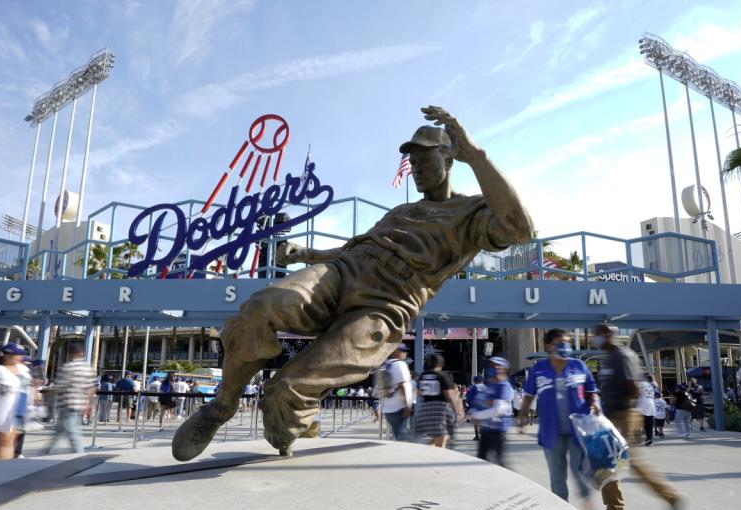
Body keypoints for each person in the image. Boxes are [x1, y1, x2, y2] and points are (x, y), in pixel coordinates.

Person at [172, 106, 533, 460]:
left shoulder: (470, 213)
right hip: (344, 272)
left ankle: (295, 423)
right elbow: (351, 248)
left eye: (425, 160)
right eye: (414, 162)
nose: (417, 170)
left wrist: (477, 155)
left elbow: (520, 228)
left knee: (287, 391)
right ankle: (221, 407)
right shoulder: (401, 212)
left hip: (384, 303)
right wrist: (305, 254)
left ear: (450, 159)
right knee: (259, 308)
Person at [591, 324, 683, 510]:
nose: (594, 339)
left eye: (597, 335)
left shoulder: (621, 356)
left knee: (628, 465)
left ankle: (671, 497)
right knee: (607, 464)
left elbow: (634, 388)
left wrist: (627, 417)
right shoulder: (611, 357)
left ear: (607, 335)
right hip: (615, 417)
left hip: (621, 416)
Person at [520, 329, 598, 508]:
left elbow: (591, 391)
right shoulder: (539, 369)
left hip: (578, 430)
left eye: (567, 342)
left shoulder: (579, 366)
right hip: (551, 431)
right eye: (560, 342)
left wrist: (595, 405)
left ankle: (588, 508)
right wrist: (522, 416)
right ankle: (563, 508)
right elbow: (529, 395)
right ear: (549, 346)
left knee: (580, 472)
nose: (565, 346)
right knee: (557, 475)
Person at [45, 343, 96, 455]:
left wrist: (48, 398)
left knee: (73, 434)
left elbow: (58, 386)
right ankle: (45, 452)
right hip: (80, 405)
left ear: (69, 354)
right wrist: (88, 404)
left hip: (68, 404)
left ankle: (79, 455)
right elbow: (92, 388)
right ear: (82, 354)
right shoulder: (88, 368)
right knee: (60, 431)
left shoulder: (67, 367)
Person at [471, 357, 514, 466]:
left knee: (500, 463)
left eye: (496, 366)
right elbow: (480, 401)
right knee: (481, 459)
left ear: (504, 369)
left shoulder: (504, 386)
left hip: (497, 431)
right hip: (486, 429)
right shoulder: (489, 385)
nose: (492, 369)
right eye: (491, 366)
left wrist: (477, 415)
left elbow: (498, 409)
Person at [414, 354, 465, 447]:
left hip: (426, 407)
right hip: (440, 408)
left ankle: (425, 450)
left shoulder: (422, 375)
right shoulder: (442, 375)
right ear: (440, 364)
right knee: (442, 435)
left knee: (437, 435)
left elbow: (418, 393)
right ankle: (439, 456)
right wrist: (457, 411)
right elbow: (449, 396)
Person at [379, 344, 414, 441]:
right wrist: (407, 406)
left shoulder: (384, 364)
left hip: (387, 407)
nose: (406, 353)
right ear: (396, 352)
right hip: (399, 408)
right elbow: (402, 385)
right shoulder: (400, 364)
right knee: (403, 438)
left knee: (398, 435)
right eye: (403, 351)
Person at [637, 374, 657, 446]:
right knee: (649, 425)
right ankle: (649, 441)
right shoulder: (652, 385)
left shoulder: (642, 383)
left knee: (638, 423)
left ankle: (637, 440)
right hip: (651, 405)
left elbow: (636, 393)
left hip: (642, 405)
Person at [466, 375, 486, 441]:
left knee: (476, 422)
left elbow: (469, 397)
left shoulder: (474, 387)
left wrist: (469, 404)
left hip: (475, 407)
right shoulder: (485, 387)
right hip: (484, 407)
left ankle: (477, 436)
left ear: (475, 381)